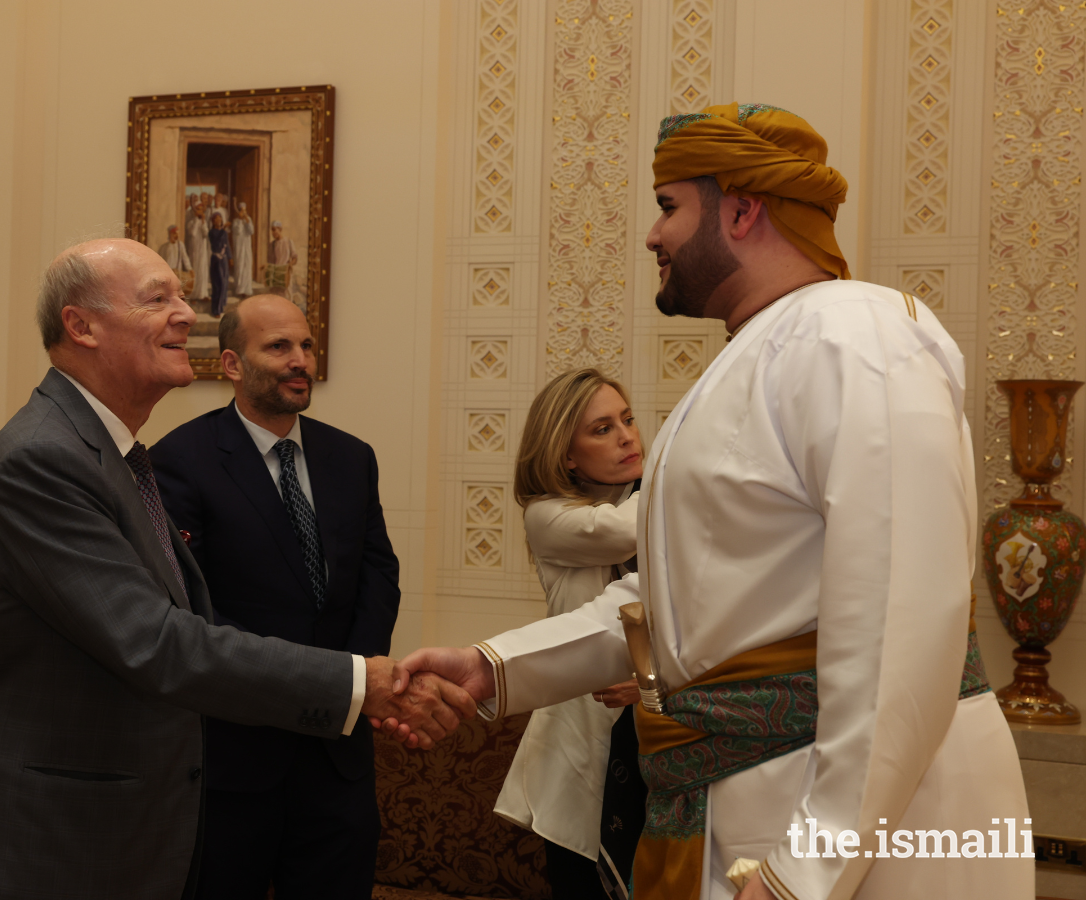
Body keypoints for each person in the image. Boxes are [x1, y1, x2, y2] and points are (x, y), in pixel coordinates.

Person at [391, 103, 1031, 900]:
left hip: (871, 835)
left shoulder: (855, 338)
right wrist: (492, 669)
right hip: (750, 800)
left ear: (740, 208)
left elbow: (905, 622)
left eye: (668, 207)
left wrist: (806, 869)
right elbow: (669, 606)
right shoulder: (755, 356)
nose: (652, 235)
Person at [0, 238, 473, 900]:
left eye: (181, 295)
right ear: (81, 326)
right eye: (158, 299)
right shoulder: (44, 459)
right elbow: (157, 641)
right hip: (44, 833)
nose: (186, 312)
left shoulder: (113, 456)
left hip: (119, 823)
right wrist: (361, 680)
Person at [149, 292, 400, 899]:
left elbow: (378, 575)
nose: (301, 360)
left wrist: (353, 681)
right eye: (279, 346)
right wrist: (303, 686)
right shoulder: (179, 461)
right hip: (234, 758)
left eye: (307, 346)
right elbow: (192, 605)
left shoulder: (350, 457)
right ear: (232, 365)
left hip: (338, 755)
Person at [494, 367, 647, 900]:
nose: (628, 435)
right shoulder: (548, 515)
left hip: (656, 734)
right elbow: (629, 530)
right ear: (566, 453)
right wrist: (688, 469)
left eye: (627, 420)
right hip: (581, 740)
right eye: (602, 429)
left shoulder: (651, 496)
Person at [186, 198, 211, 300]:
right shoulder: (191, 223)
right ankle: (194, 295)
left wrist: (204, 221)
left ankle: (202, 294)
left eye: (201, 209)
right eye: (198, 209)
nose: (200, 211)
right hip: (195, 250)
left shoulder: (203, 222)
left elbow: (205, 233)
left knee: (202, 271)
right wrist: (197, 220)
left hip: (203, 251)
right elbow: (193, 233)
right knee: (196, 270)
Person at [208, 212, 230, 318]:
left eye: (220, 218)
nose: (218, 220)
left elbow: (227, 245)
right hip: (216, 260)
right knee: (217, 285)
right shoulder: (212, 232)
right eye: (216, 218)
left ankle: (220, 308)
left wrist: (230, 257)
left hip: (224, 260)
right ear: (213, 221)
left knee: (224, 284)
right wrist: (223, 230)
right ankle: (215, 310)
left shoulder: (224, 233)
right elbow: (216, 243)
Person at [231, 201, 255, 297]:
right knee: (240, 266)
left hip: (247, 248)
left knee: (247, 266)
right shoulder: (236, 221)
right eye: (241, 211)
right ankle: (239, 290)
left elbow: (251, 231)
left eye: (244, 211)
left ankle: (247, 289)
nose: (243, 212)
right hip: (239, 247)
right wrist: (241, 220)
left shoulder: (248, 219)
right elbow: (237, 231)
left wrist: (246, 221)